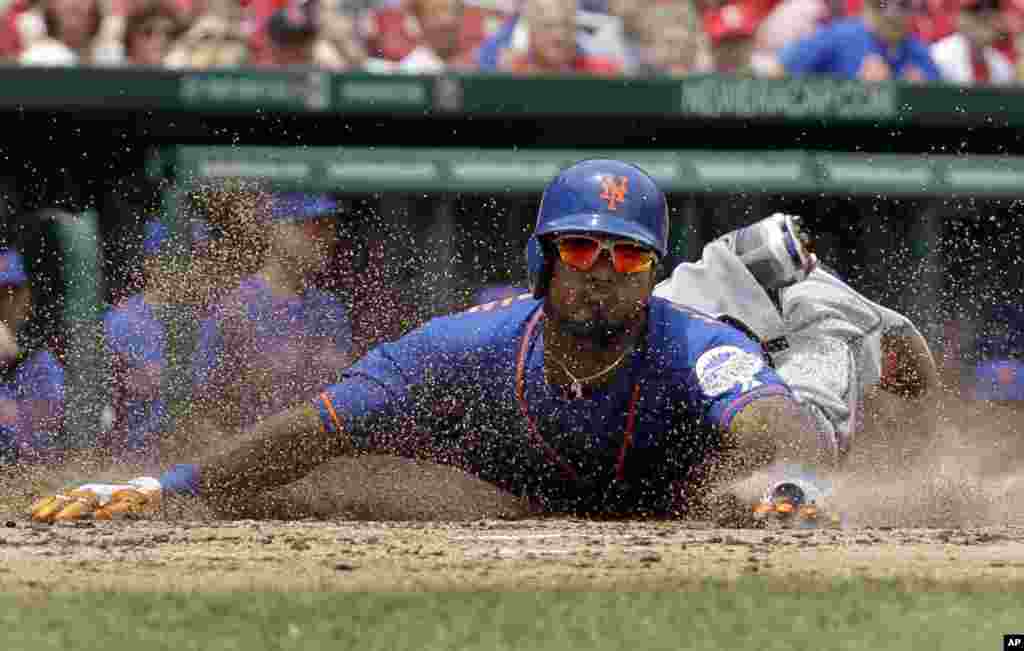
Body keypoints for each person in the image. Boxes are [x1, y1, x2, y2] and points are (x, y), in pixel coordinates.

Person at [29, 160, 836, 524]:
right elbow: (320, 424)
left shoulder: (686, 343)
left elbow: (770, 419)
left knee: (831, 358)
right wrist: (167, 485)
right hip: (578, 483)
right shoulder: (467, 342)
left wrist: (793, 475)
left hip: (755, 382)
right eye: (580, 248)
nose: (601, 270)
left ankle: (777, 276)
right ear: (542, 261)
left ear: (651, 271)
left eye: (626, 253)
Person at [653, 213, 940, 486]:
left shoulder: (827, 316)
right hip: (717, 357)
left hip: (784, 355)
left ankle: (790, 478)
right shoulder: (692, 288)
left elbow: (819, 414)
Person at [186, 192, 353, 440]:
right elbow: (199, 414)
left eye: (332, 228)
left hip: (321, 466)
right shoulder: (235, 309)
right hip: (259, 465)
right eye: (315, 226)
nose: (328, 238)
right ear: (276, 229)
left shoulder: (331, 310)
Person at [763, 0, 942, 83]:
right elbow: (776, 73)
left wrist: (914, 97)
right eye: (881, 4)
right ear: (865, 6)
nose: (891, 14)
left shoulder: (920, 52)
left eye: (903, 5)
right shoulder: (837, 37)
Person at [0, 248, 65, 464]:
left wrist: (12, 358)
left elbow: (44, 437)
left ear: (25, 297)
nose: (5, 303)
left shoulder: (40, 362)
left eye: (11, 293)